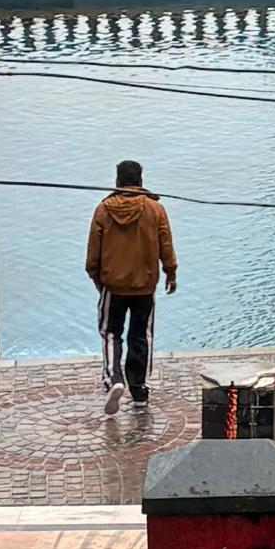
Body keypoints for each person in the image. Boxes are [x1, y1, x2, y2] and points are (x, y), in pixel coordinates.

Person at [83, 157, 177, 415]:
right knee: (141, 335)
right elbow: (166, 245)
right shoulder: (155, 209)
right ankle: (139, 390)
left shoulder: (103, 210)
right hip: (145, 286)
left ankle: (114, 379)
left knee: (111, 333)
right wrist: (171, 272)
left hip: (113, 286)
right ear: (141, 181)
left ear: (117, 181)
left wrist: (97, 278)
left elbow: (93, 252)